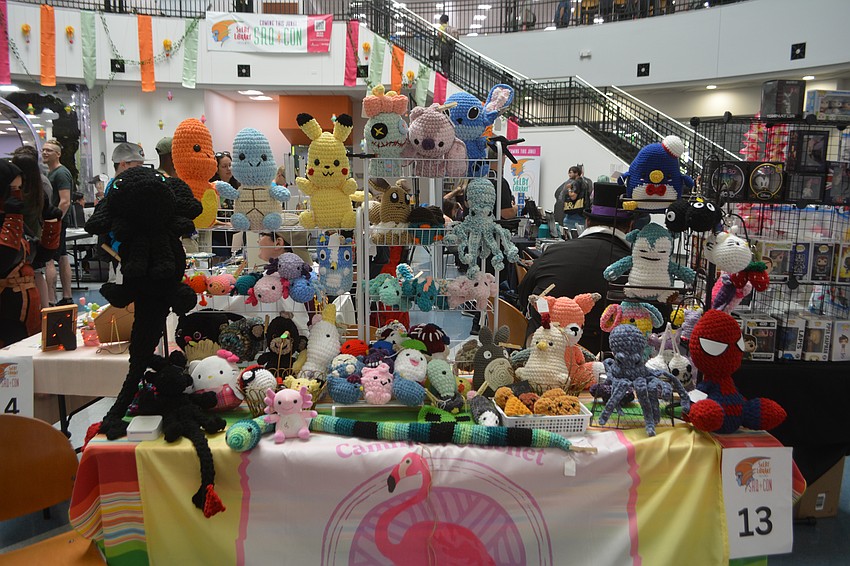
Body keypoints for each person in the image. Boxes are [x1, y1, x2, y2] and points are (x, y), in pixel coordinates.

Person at [518, 182, 635, 352]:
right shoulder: (638, 268)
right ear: (630, 226)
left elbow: (524, 296)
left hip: (541, 359)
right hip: (610, 366)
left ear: (587, 222)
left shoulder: (554, 251)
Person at [0, 159, 61, 347]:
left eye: (19, 188)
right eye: (12, 189)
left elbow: (40, 257)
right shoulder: (13, 218)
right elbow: (3, 259)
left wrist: (52, 223)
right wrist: (12, 218)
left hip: (28, 315)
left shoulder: (16, 219)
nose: (17, 194)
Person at [41, 138, 74, 307]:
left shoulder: (61, 173)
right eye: (44, 150)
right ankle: (66, 296)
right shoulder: (51, 173)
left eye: (49, 150)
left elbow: (65, 201)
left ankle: (50, 299)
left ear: (58, 154)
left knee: (49, 260)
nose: (45, 152)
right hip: (57, 220)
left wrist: (55, 221)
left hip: (56, 221)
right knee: (62, 257)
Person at [437, 14, 457, 78]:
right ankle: (448, 74)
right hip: (450, 47)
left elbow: (439, 35)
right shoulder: (449, 27)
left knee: (443, 60)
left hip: (444, 45)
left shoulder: (441, 27)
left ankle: (445, 74)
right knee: (448, 61)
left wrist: (438, 39)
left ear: (441, 20)